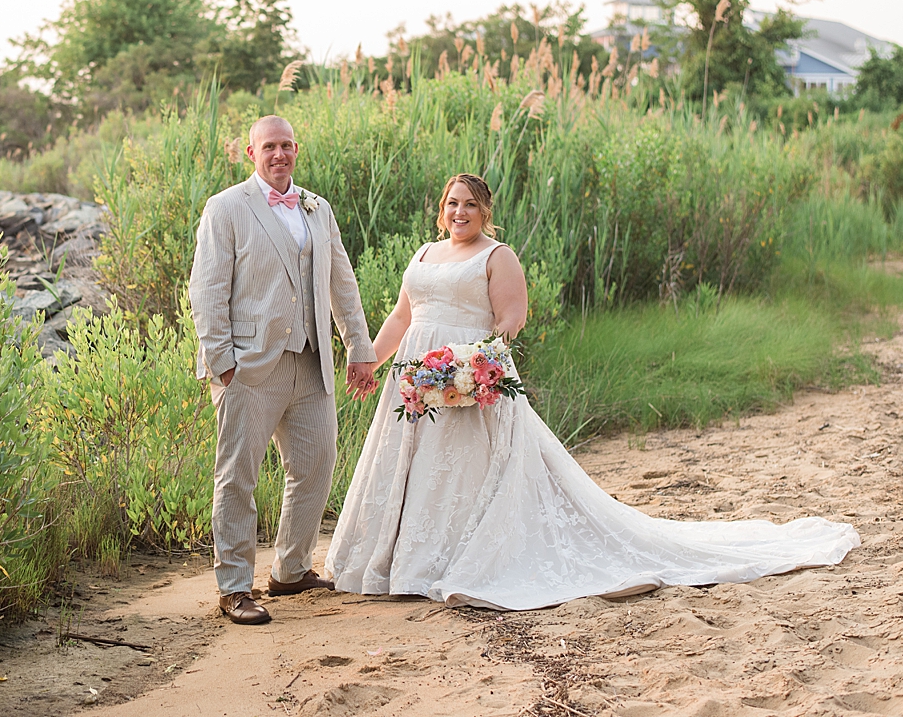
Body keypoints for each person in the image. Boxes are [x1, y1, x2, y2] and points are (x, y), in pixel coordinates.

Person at [326, 173, 859, 610]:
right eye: (451, 204)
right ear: (440, 210)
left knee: (464, 470)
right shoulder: (423, 254)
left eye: (470, 205)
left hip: (471, 378)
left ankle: (448, 562)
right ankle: (397, 562)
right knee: (408, 467)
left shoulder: (497, 255)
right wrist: (369, 359)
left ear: (485, 211)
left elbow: (512, 318)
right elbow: (402, 315)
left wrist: (473, 365)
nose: (459, 212)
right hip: (416, 382)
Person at [189, 115, 377, 625]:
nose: (279, 154)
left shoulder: (318, 207)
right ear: (250, 153)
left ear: (297, 149)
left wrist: (359, 348)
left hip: (311, 361)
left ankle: (291, 571)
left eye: (287, 145)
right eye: (269, 146)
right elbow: (206, 291)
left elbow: (342, 281)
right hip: (249, 367)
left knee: (316, 465)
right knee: (238, 477)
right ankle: (233, 588)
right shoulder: (226, 208)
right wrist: (222, 364)